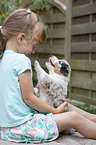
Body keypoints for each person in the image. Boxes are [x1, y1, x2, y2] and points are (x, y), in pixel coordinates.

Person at [0, 9, 96, 144]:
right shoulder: (21, 60)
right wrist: (54, 111)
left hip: (8, 129)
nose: (33, 51)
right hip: (24, 128)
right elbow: (29, 98)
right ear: (21, 37)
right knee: (73, 117)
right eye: (33, 45)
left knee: (66, 106)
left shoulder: (3, 58)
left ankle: (93, 118)